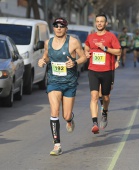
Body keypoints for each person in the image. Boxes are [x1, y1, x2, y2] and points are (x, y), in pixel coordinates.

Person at [38, 17, 87, 156]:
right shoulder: (48, 42)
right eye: (56, 25)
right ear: (53, 28)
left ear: (66, 28)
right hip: (54, 81)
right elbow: (47, 56)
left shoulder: (73, 42)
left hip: (69, 82)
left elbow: (84, 57)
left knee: (65, 116)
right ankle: (57, 145)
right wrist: (42, 61)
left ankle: (70, 119)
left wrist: (75, 63)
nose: (58, 28)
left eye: (62, 26)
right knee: (54, 112)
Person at [84, 13, 121, 134]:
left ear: (106, 23)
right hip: (93, 70)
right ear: (95, 23)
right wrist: (86, 53)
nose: (99, 23)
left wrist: (105, 49)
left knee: (105, 97)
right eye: (97, 21)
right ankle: (94, 123)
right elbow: (87, 47)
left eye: (102, 21)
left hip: (107, 71)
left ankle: (104, 112)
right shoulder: (91, 37)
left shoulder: (111, 36)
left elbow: (118, 51)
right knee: (94, 96)